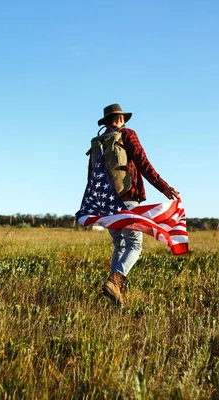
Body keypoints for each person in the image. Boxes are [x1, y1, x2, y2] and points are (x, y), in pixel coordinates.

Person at [97, 104, 180, 306]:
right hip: (128, 198)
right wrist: (164, 187)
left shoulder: (99, 142)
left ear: (107, 121)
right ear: (122, 119)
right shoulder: (128, 135)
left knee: (120, 244)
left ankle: (114, 292)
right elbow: (143, 163)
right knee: (134, 245)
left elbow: (94, 176)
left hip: (107, 202)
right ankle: (115, 282)